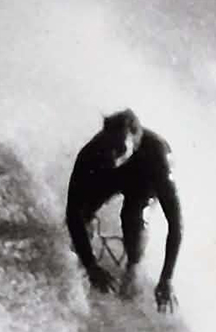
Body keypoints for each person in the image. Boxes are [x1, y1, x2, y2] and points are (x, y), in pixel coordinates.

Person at [65, 109, 182, 312]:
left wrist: (166, 278)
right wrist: (91, 265)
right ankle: (85, 261)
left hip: (144, 176)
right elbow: (72, 212)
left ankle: (132, 272)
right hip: (116, 175)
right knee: (82, 215)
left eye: (119, 149)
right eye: (110, 147)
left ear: (135, 143)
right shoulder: (93, 152)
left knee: (132, 218)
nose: (113, 157)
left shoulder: (157, 159)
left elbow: (175, 224)